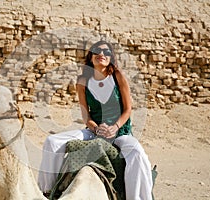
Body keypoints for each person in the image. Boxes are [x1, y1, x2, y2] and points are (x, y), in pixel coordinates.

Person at [38, 40, 153, 199]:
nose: (102, 54)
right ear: (91, 56)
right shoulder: (83, 81)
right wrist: (96, 128)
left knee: (136, 152)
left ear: (111, 57)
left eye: (106, 52)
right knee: (52, 141)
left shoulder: (117, 76)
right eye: (97, 51)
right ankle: (47, 192)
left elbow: (127, 109)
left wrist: (115, 127)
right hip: (94, 131)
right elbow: (86, 116)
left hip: (120, 132)